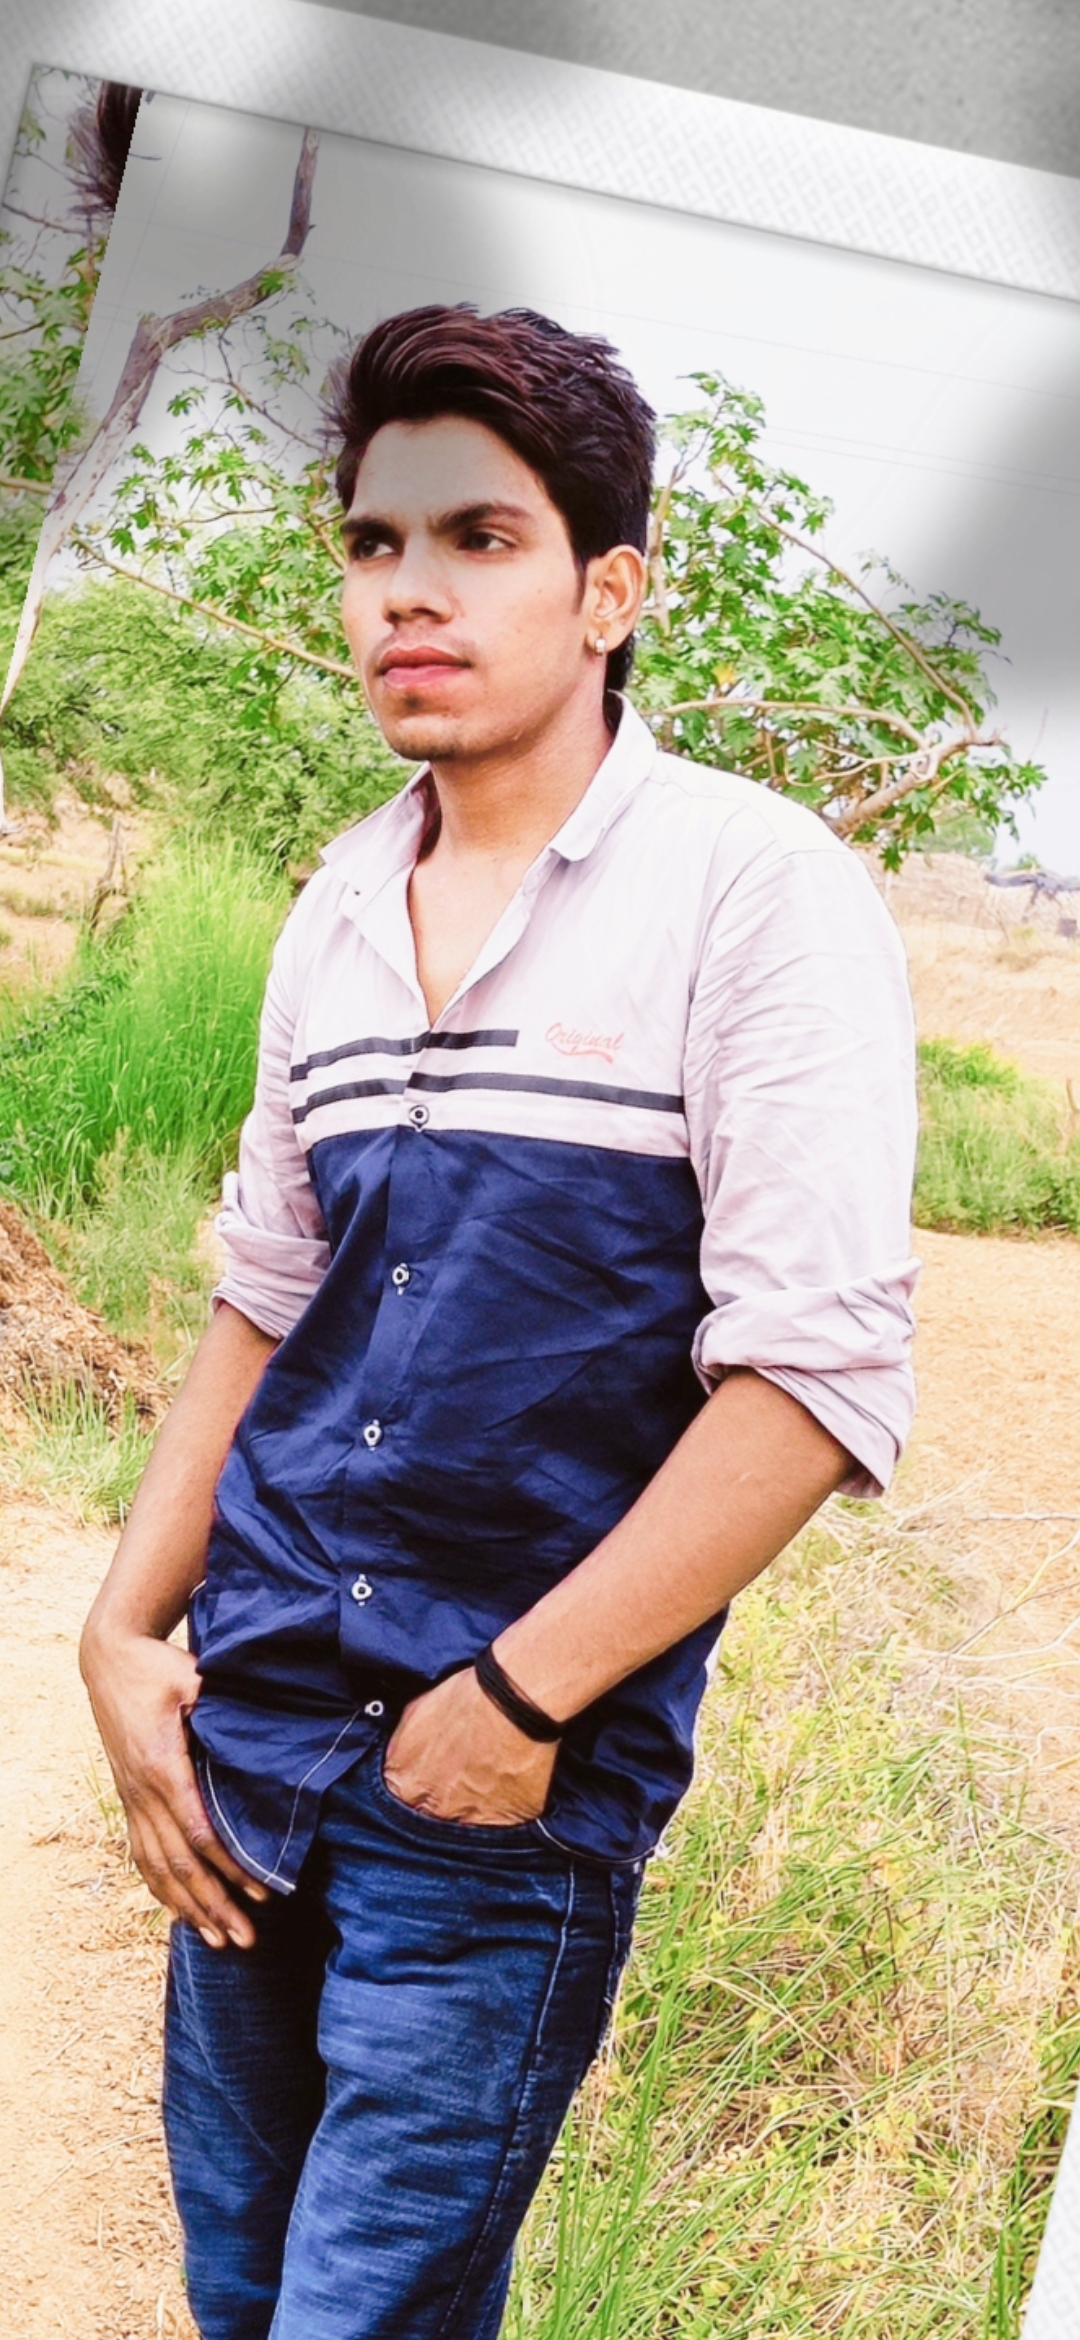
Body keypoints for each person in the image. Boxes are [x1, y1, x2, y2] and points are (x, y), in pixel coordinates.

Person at [80, 303, 919, 2340]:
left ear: (610, 592)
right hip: (254, 1742)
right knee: (242, 2293)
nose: (409, 593)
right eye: (376, 545)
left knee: (362, 2317)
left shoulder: (750, 890)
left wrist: (523, 1705)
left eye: (480, 538)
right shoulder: (338, 907)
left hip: (497, 1794)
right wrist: (119, 1633)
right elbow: (268, 1300)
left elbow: (813, 1375)